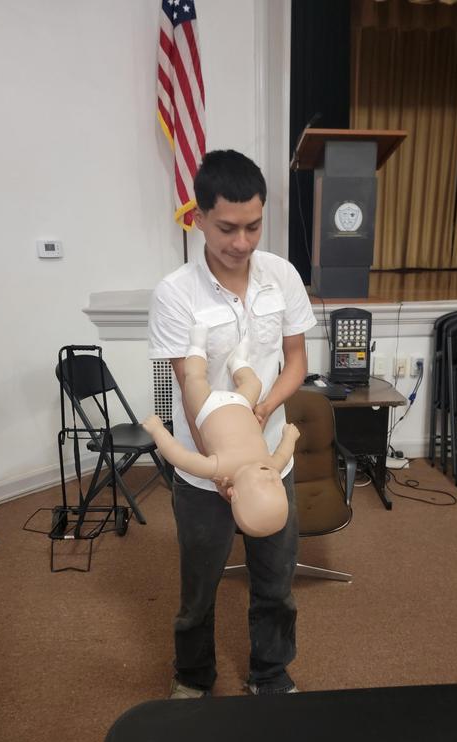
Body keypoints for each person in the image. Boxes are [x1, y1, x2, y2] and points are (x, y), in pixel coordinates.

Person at [148, 149, 317, 699]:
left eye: (252, 226)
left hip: (271, 462)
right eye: (227, 228)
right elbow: (190, 390)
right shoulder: (176, 294)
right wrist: (224, 469)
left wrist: (264, 412)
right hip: (207, 471)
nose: (241, 242)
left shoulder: (281, 277)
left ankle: (271, 674)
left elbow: (296, 362)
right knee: (199, 587)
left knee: (276, 581)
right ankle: (193, 678)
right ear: (198, 217)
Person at [143, 325, 301, 537]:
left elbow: (178, 456)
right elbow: (283, 453)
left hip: (207, 408)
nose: (273, 478)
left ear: (234, 494)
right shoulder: (271, 466)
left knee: (194, 378)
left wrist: (157, 430)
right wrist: (290, 437)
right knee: (254, 383)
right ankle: (238, 363)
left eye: (265, 484)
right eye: (278, 486)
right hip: (242, 404)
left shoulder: (219, 469)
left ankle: (197, 347)